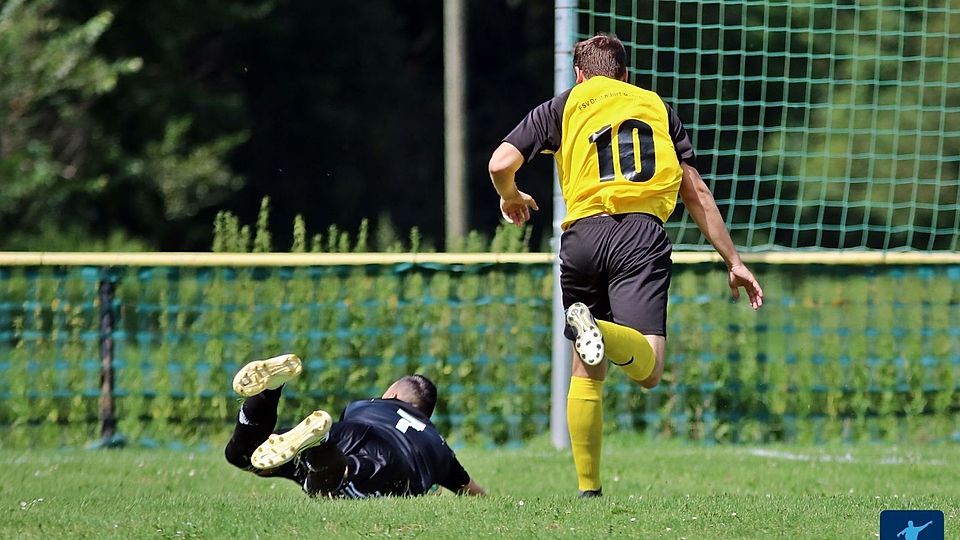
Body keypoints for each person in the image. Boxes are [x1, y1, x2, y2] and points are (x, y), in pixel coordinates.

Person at [487, 33, 764, 497]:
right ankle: (600, 330)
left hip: (581, 238)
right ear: (626, 75)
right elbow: (695, 191)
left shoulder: (565, 104)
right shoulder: (655, 107)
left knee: (585, 367)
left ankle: (588, 491)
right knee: (650, 370)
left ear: (580, 75)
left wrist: (510, 196)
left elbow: (499, 163)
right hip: (638, 233)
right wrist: (733, 260)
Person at [224, 353, 486, 498]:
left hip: (349, 431)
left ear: (393, 396)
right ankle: (320, 446)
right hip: (393, 462)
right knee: (334, 488)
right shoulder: (436, 442)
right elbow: (473, 493)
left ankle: (269, 391)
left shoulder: (365, 405)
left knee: (244, 454)